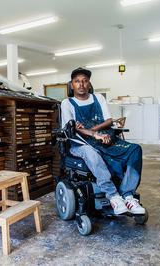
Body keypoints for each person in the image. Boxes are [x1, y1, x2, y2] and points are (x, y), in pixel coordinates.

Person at [61, 67, 145, 215]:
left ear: (89, 84)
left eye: (85, 81)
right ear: (71, 85)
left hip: (104, 137)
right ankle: (113, 196)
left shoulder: (98, 98)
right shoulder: (67, 103)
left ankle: (128, 195)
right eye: (77, 81)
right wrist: (95, 135)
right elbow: (72, 128)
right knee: (92, 153)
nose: (81, 84)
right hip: (79, 144)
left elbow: (109, 120)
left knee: (134, 149)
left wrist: (95, 131)